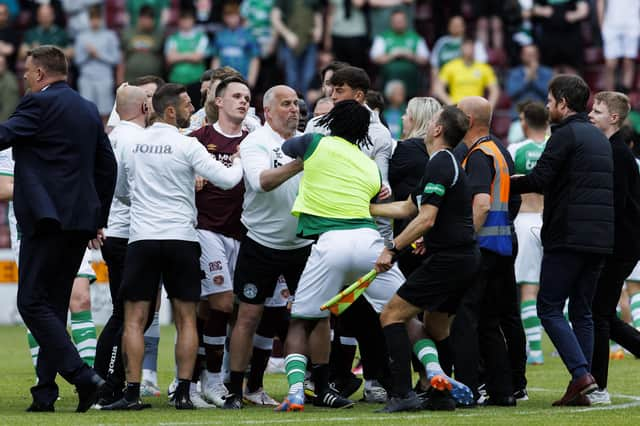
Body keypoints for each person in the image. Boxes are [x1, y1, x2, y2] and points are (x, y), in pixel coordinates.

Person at [102, 83, 243, 410]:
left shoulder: (133, 144)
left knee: (134, 319)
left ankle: (132, 393)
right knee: (186, 320)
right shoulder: (188, 145)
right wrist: (238, 160)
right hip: (181, 238)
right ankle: (182, 392)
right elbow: (227, 180)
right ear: (169, 111)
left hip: (142, 239)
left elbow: (120, 190)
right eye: (186, 105)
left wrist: (142, 201)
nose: (191, 110)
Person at [0, 45, 116, 412]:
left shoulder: (38, 104)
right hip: (80, 222)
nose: (24, 79)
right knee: (53, 304)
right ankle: (45, 395)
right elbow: (107, 166)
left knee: (31, 303)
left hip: (46, 219)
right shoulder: (86, 108)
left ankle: (83, 376)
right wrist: (98, 218)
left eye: (26, 73)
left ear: (39, 74)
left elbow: (3, 136)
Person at [276, 100, 404, 412]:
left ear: (331, 121)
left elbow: (288, 147)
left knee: (301, 322)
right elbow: (371, 197)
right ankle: (432, 374)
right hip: (370, 242)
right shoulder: (369, 166)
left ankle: (295, 391)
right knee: (404, 310)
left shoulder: (315, 141)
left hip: (330, 242)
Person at [510, 75, 614, 406]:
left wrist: (503, 183)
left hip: (568, 234)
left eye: (551, 101)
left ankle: (581, 373)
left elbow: (541, 179)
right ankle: (586, 387)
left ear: (563, 104)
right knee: (582, 311)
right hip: (600, 236)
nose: (548, 107)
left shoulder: (564, 135)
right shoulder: (599, 138)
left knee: (549, 306)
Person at [372, 105, 479, 412]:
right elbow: (408, 208)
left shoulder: (441, 162)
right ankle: (441, 394)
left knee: (391, 315)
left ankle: (403, 393)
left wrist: (392, 248)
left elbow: (426, 218)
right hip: (463, 258)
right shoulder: (441, 162)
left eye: (432, 120)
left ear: (436, 130)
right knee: (436, 326)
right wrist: (367, 210)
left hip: (451, 259)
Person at [223, 85, 313, 409]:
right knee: (247, 316)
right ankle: (235, 388)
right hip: (261, 242)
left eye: (296, 104)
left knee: (310, 315)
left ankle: (316, 384)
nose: (294, 109)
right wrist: (300, 164)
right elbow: (261, 182)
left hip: (301, 243)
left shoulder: (307, 140)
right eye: (286, 104)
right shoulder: (255, 143)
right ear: (268, 112)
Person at [188, 76, 252, 407]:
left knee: (213, 309)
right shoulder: (197, 139)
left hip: (241, 234)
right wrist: (190, 178)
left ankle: (190, 376)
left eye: (247, 97)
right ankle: (213, 380)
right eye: (237, 96)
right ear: (219, 102)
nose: (243, 101)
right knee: (223, 304)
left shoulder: (254, 142)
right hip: (206, 230)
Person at [452, 96, 518, 406]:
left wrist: (464, 238)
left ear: (467, 119)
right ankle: (502, 391)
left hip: (481, 247)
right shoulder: (497, 151)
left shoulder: (478, 155)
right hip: (501, 246)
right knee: (490, 322)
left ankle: (467, 388)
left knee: (466, 319)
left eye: (455, 112)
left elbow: (481, 203)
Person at [93, 85, 149, 407]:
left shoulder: (111, 137)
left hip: (113, 230)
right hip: (128, 233)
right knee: (126, 315)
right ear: (143, 106)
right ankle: (107, 385)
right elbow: (131, 188)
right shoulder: (134, 141)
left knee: (124, 313)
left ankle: (106, 382)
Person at [588, 91, 640, 405]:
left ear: (614, 118)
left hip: (620, 244)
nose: (591, 114)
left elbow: (617, 205)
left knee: (598, 313)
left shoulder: (617, 153)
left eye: (597, 110)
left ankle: (598, 388)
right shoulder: (612, 150)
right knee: (604, 313)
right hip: (621, 243)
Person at [507, 101, 548, 366]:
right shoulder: (554, 147)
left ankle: (535, 350)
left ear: (523, 121)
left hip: (524, 220)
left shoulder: (515, 149)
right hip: (550, 219)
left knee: (527, 289)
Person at [389, 97, 441, 276]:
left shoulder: (406, 149)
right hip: (437, 232)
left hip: (411, 232)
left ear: (415, 119)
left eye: (406, 114)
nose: (402, 118)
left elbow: (383, 182)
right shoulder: (447, 152)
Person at [74, 5, 121, 122]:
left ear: (102, 19)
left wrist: (99, 55)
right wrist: (87, 55)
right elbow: (77, 61)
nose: (95, 21)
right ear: (89, 20)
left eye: (97, 18)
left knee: (105, 113)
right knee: (86, 113)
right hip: (86, 79)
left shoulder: (110, 36)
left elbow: (115, 59)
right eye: (92, 18)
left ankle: (104, 138)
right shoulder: (81, 37)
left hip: (104, 78)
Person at [370, 8, 429, 99]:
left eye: (401, 21)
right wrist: (392, 55)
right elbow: (374, 58)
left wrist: (411, 55)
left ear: (406, 21)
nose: (398, 23)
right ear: (391, 22)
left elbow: (425, 60)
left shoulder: (416, 37)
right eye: (396, 21)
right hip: (388, 76)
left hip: (412, 78)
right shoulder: (383, 37)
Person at [270, 0, 323, 96]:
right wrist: (287, 35)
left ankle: (305, 109)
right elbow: (275, 18)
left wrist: (318, 29)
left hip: (309, 42)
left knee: (308, 78)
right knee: (291, 79)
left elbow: (317, 13)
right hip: (289, 44)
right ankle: (292, 108)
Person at [505, 44, 553, 143]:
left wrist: (534, 79)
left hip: (542, 120)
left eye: (533, 54)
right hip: (519, 119)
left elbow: (548, 93)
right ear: (522, 56)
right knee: (514, 147)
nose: (531, 57)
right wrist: (527, 79)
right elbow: (511, 93)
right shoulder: (514, 73)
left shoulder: (547, 72)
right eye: (528, 54)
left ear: (538, 55)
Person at [433, 37, 500, 109]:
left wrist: (488, 108)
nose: (468, 50)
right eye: (466, 47)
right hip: (457, 108)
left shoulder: (484, 68)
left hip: (477, 108)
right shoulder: (450, 66)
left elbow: (495, 91)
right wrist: (451, 104)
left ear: (474, 48)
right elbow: (438, 88)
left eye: (471, 47)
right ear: (461, 48)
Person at [164, 8, 209, 108]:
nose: (186, 22)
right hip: (176, 81)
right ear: (179, 21)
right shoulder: (173, 38)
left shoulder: (201, 37)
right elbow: (170, 59)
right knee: (176, 110)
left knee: (196, 110)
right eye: (183, 19)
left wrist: (179, 55)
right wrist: (190, 54)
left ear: (193, 21)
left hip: (195, 82)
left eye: (188, 19)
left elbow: (198, 57)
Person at [210, 2, 260, 89]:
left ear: (239, 16)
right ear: (224, 18)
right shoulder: (220, 35)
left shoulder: (248, 35)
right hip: (224, 80)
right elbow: (216, 58)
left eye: (234, 16)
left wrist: (251, 80)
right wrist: (214, 79)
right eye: (229, 16)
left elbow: (255, 59)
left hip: (243, 80)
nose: (232, 19)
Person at [597, 0, 640, 92]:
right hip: (611, 26)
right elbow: (600, 2)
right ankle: (609, 99)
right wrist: (602, 25)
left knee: (628, 62)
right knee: (610, 64)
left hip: (632, 25)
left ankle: (625, 98)